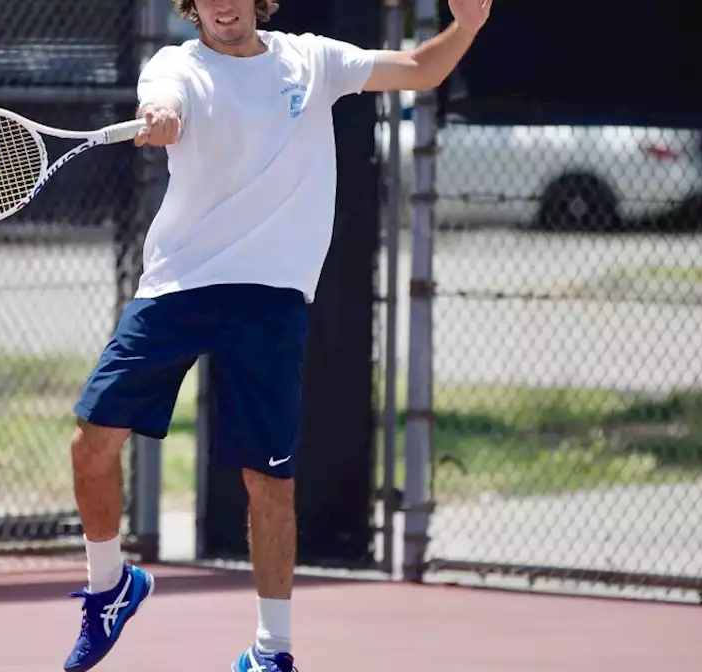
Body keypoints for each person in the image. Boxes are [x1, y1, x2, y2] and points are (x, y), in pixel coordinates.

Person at [62, 1, 492, 670]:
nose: (223, 3)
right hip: (178, 286)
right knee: (92, 443)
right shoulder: (174, 65)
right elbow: (165, 99)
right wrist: (163, 118)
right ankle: (109, 586)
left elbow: (417, 70)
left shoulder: (311, 60)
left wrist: (465, 28)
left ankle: (273, 650)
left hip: (269, 296)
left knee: (268, 480)